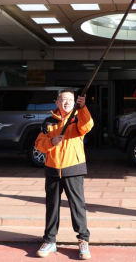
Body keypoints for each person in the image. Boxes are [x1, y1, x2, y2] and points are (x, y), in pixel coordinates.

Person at [35, 89, 94, 260]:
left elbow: (87, 126)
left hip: (73, 167)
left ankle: (83, 240)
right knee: (52, 207)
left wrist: (82, 108)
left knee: (77, 206)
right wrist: (51, 141)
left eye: (70, 99)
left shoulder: (77, 118)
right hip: (52, 168)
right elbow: (39, 143)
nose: (67, 102)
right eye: (63, 99)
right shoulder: (48, 121)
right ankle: (49, 240)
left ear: (75, 102)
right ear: (57, 102)